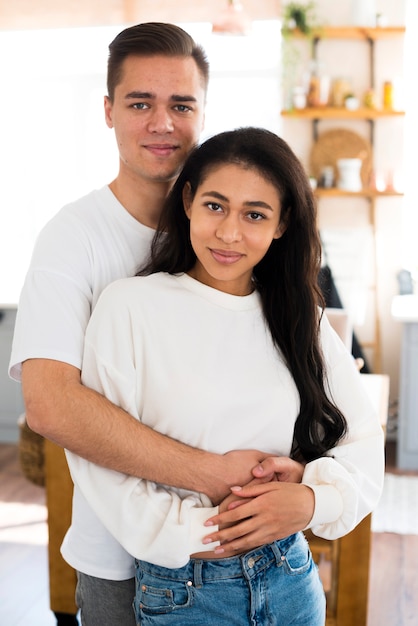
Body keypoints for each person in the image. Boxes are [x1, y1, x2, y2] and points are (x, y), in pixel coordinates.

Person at [10, 23, 287, 626]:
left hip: (239, 552)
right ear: (109, 112)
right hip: (123, 556)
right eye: (140, 103)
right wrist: (213, 475)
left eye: (181, 104)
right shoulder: (73, 238)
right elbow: (51, 406)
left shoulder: (229, 236)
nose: (162, 123)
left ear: (204, 113)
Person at [64, 127, 385, 625]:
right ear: (188, 200)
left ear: (281, 225)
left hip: (291, 579)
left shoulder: (302, 318)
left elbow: (363, 441)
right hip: (186, 589)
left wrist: (310, 498)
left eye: (255, 214)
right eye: (216, 206)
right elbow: (100, 462)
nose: (230, 233)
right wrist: (202, 531)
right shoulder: (130, 306)